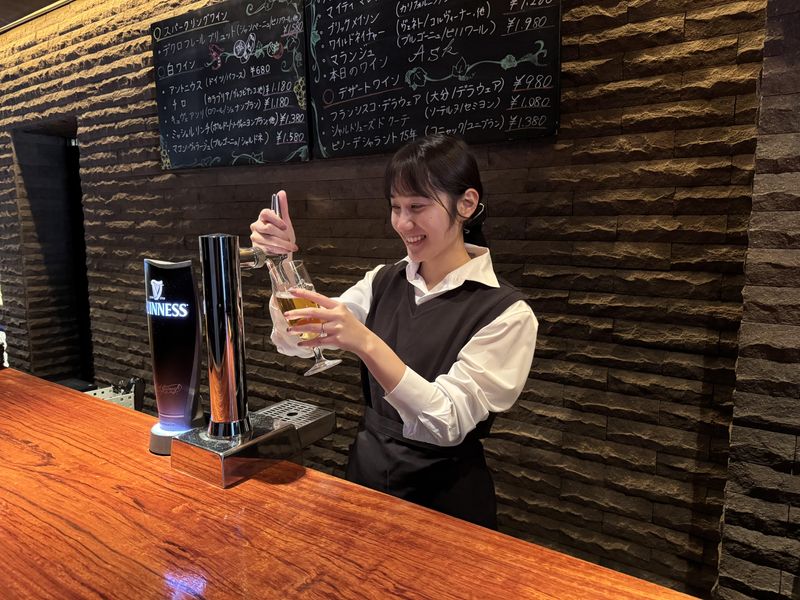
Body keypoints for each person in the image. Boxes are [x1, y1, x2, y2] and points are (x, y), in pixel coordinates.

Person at [250, 134, 537, 529]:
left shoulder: (507, 313)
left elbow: (446, 421)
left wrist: (366, 342)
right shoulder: (383, 280)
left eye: (417, 206)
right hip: (366, 477)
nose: (403, 223)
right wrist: (281, 265)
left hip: (446, 501)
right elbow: (299, 340)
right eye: (396, 207)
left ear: (466, 204)